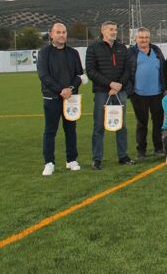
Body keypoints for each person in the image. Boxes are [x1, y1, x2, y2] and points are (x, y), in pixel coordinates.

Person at [37, 23, 86, 176]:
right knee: (50, 131)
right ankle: (49, 163)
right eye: (58, 32)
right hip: (51, 98)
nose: (61, 35)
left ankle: (71, 160)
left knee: (71, 130)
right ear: (51, 35)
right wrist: (60, 90)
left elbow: (80, 75)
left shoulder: (73, 53)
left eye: (64, 32)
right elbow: (44, 76)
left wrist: (70, 89)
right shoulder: (44, 53)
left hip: (71, 99)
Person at [85, 21, 135, 170]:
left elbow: (128, 69)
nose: (114, 32)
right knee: (99, 126)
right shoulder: (93, 48)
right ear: (103, 31)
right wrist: (110, 84)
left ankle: (123, 156)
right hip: (102, 92)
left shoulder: (122, 48)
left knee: (121, 125)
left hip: (120, 91)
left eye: (115, 29)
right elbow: (91, 70)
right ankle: (97, 158)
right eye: (111, 29)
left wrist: (119, 85)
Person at [128, 27, 166, 159]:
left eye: (146, 37)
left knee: (158, 123)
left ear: (149, 38)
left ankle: (158, 148)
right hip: (138, 95)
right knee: (142, 123)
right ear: (135, 39)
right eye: (141, 37)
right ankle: (141, 150)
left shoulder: (156, 50)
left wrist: (164, 87)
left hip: (157, 94)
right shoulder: (131, 53)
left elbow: (163, 69)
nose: (144, 40)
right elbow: (126, 72)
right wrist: (131, 91)